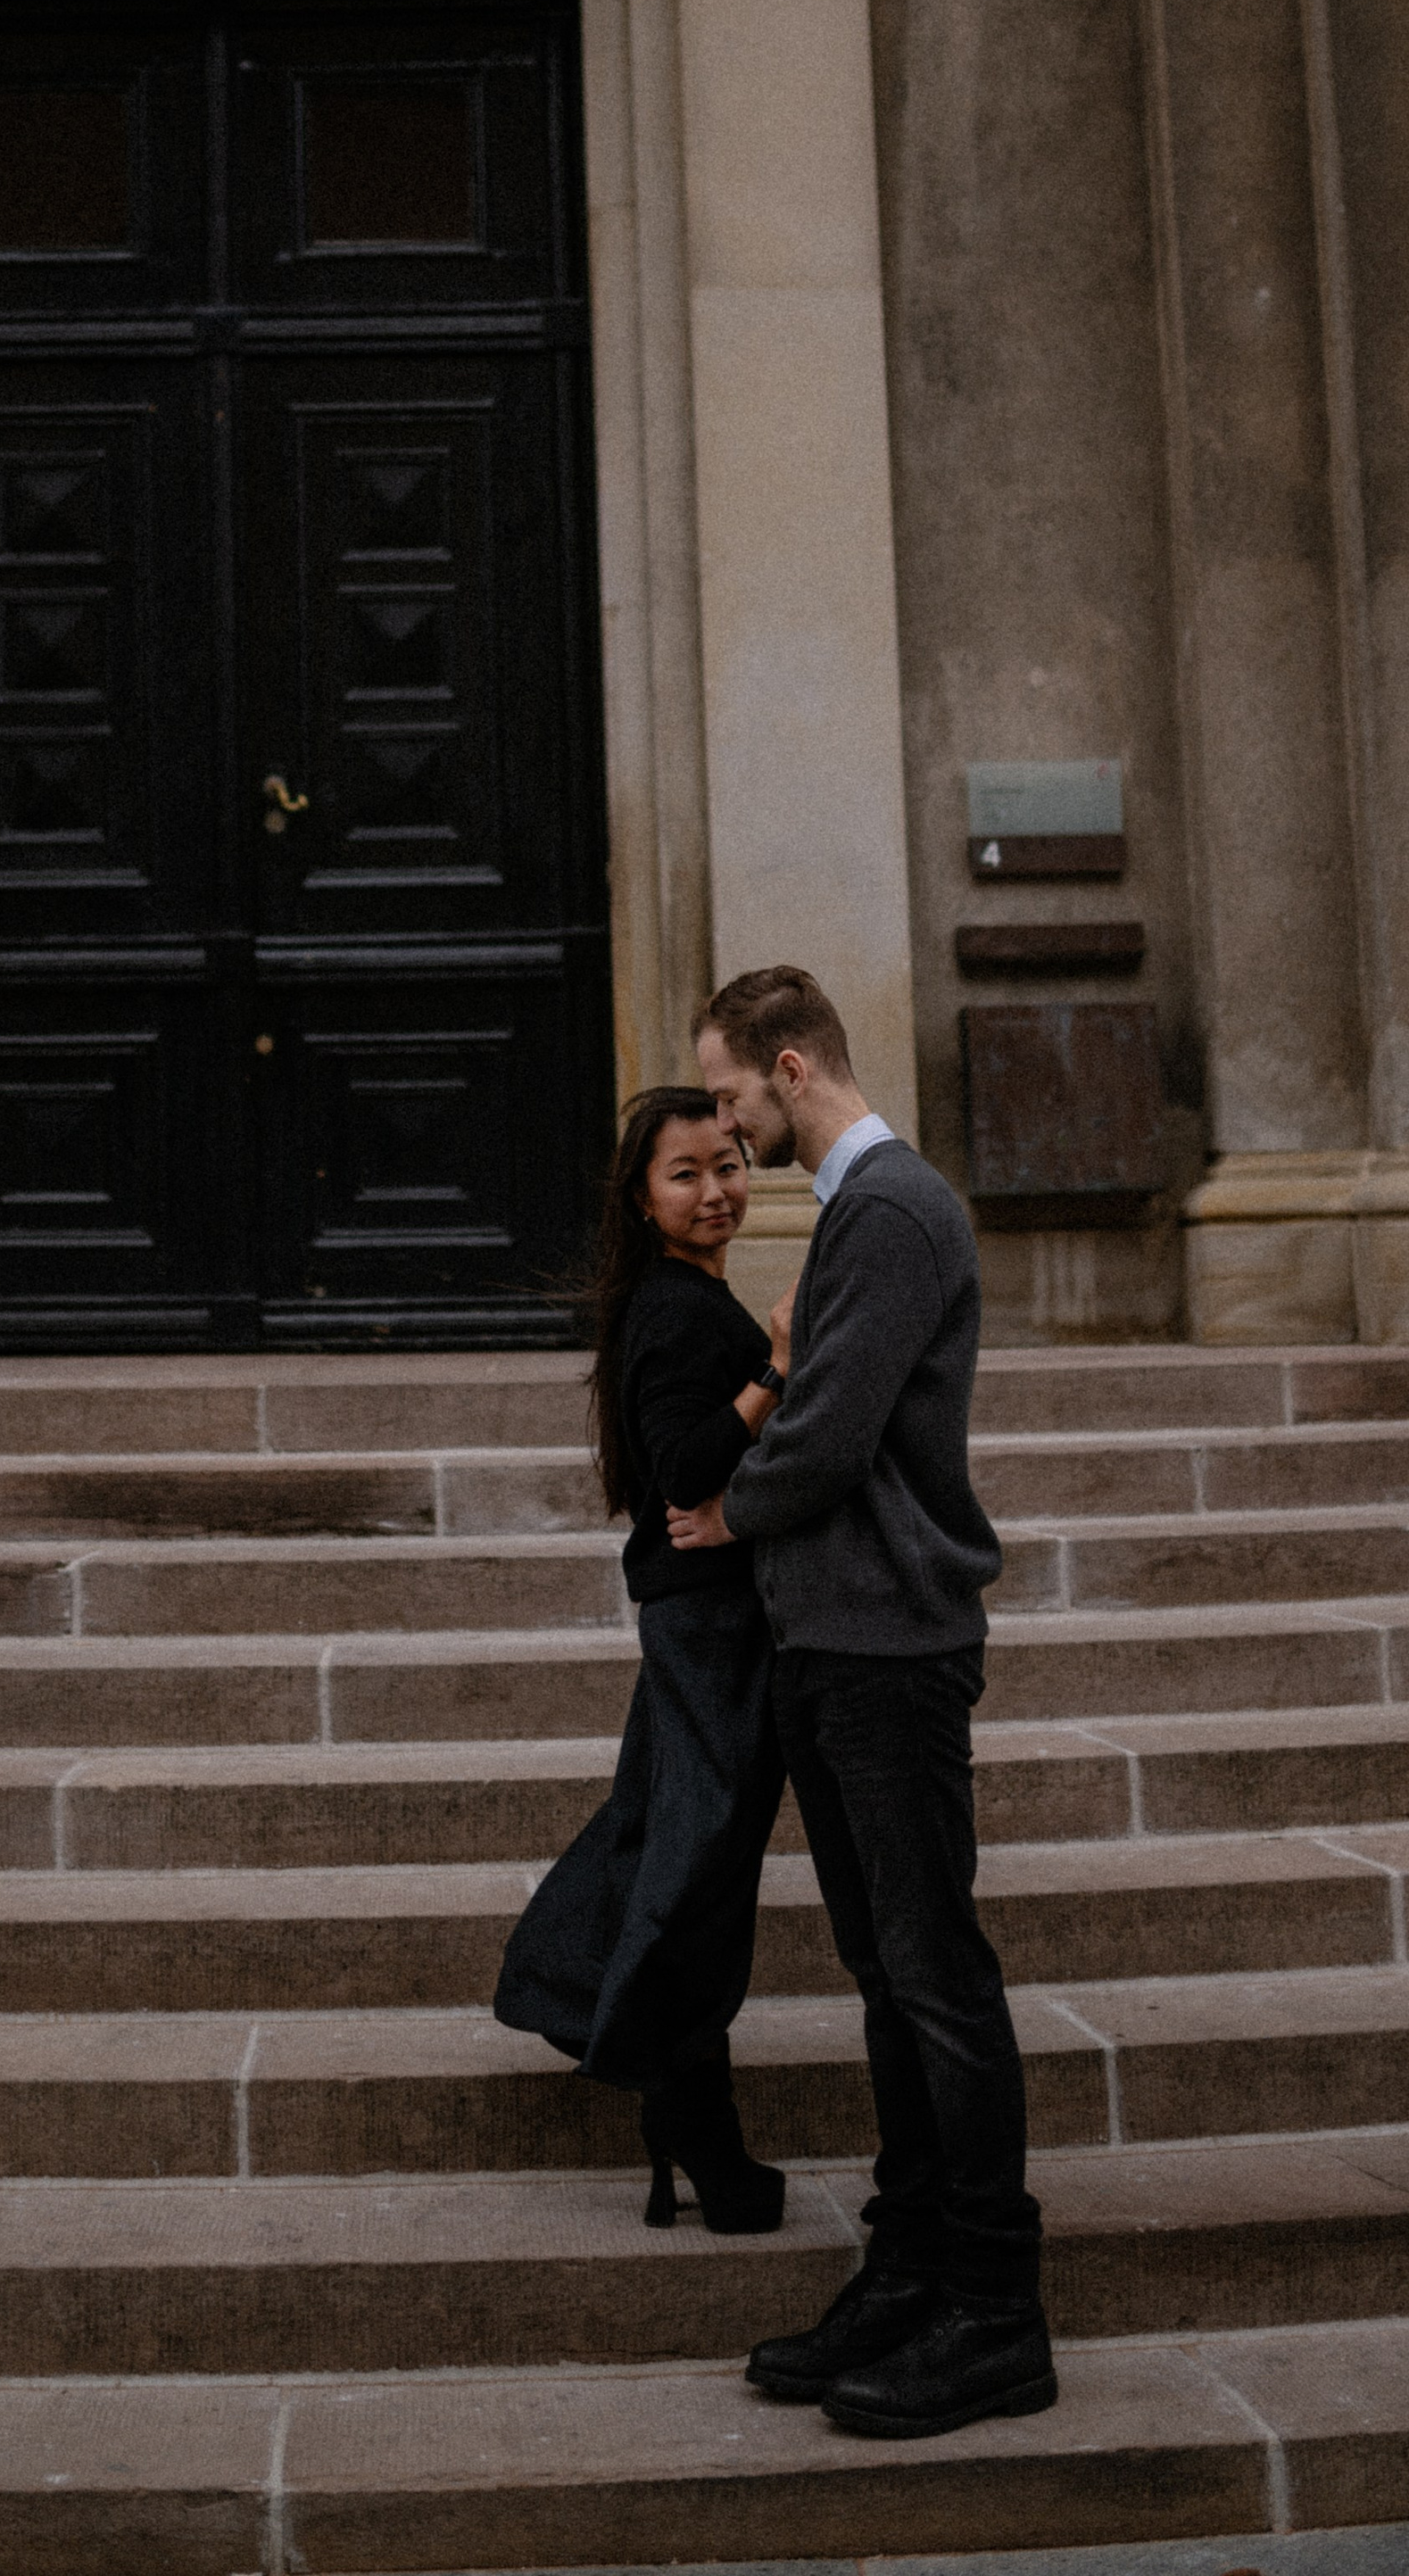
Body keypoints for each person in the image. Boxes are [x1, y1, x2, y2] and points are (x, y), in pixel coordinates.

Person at [667, 961, 1053, 2440]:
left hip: (891, 1642)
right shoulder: (859, 1213)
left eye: (729, 1092)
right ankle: (909, 2269)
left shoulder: (892, 1204)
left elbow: (829, 1430)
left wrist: (722, 1505)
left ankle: (993, 2307)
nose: (724, 1119)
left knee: (934, 1969)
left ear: (789, 1064)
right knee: (891, 1973)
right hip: (837, 1634)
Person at [493, 1085, 796, 2232]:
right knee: (694, 1869)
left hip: (699, 1618)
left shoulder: (668, 1297)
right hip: (711, 1624)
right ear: (640, 1194)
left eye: (728, 1164)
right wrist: (773, 1367)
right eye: (686, 1173)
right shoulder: (679, 1312)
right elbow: (681, 1465)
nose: (716, 1188)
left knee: (663, 1841)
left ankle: (643, 2061)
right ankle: (684, 2109)